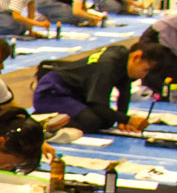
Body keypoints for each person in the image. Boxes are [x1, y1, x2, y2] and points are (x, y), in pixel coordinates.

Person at [33, 39, 162, 134]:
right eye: (145, 69)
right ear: (136, 57)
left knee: (107, 121)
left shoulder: (122, 55)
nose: (143, 75)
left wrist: (122, 120)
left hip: (73, 93)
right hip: (52, 93)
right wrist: (128, 119)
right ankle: (43, 121)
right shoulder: (107, 67)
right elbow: (99, 106)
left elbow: (124, 89)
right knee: (91, 122)